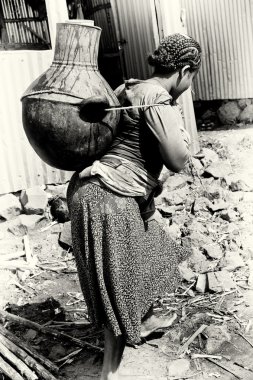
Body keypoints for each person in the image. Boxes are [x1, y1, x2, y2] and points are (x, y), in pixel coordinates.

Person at [67, 33, 201, 380]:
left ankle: (145, 317)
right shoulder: (157, 97)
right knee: (119, 290)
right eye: (192, 78)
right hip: (112, 200)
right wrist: (184, 139)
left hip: (87, 192)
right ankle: (109, 373)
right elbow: (176, 159)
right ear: (185, 71)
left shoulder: (126, 88)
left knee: (157, 247)